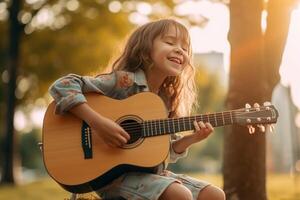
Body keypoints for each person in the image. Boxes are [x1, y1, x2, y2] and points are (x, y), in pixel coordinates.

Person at [49, 18, 225, 200]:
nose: (180, 49)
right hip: (112, 177)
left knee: (213, 195)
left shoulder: (165, 100)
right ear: (146, 50)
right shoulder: (125, 82)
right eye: (170, 42)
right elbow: (63, 85)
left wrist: (191, 139)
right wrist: (97, 123)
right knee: (179, 194)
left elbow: (159, 152)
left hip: (149, 176)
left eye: (185, 47)